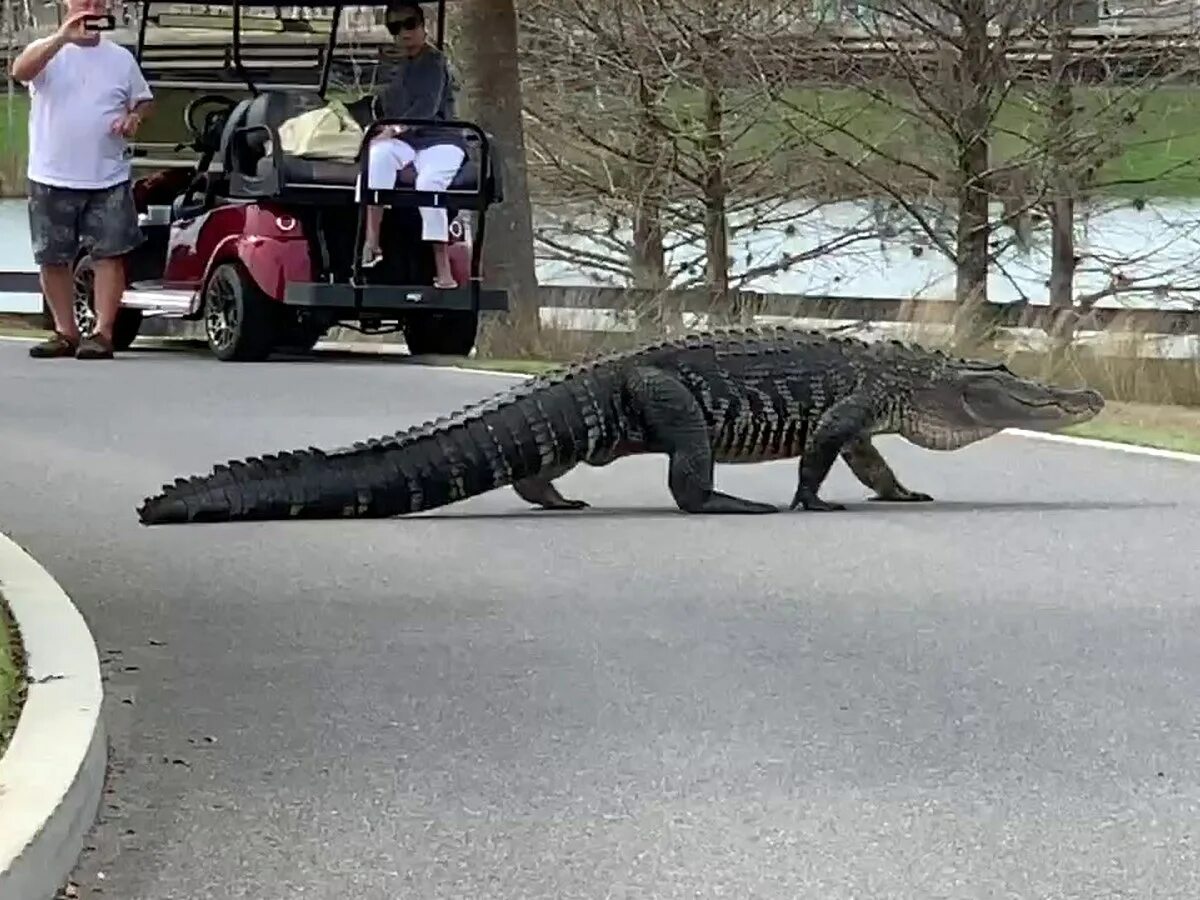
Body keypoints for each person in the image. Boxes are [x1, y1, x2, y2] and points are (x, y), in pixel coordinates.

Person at [10, 0, 153, 360]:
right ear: (66, 5)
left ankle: (103, 332)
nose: (89, 7)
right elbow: (21, 72)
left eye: (96, 2)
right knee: (52, 256)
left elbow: (143, 100)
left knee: (110, 254)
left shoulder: (120, 57)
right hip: (51, 172)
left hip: (107, 173)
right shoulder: (46, 51)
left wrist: (133, 117)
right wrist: (62, 37)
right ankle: (65, 331)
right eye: (82, 1)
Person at [358, 1, 464, 288]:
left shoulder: (434, 62)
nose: (404, 33)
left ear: (422, 25)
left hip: (439, 139)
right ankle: (371, 242)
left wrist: (394, 128)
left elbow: (426, 108)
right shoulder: (398, 68)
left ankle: (443, 269)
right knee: (377, 156)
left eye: (410, 24)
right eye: (396, 27)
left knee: (429, 183)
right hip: (407, 141)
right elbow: (384, 106)